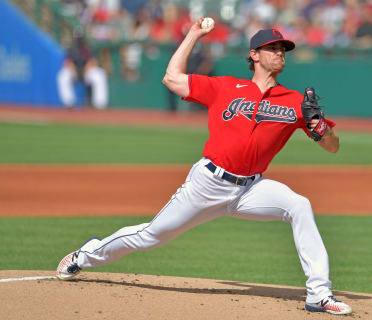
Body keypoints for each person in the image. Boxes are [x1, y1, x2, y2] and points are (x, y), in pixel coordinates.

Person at [56, 19, 352, 316]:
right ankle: (86, 255)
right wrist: (194, 34)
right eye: (272, 48)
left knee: (299, 205)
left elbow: (332, 146)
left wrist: (322, 127)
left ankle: (319, 294)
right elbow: (171, 78)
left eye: (282, 49)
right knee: (151, 235)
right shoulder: (224, 86)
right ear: (254, 55)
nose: (279, 53)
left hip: (251, 188)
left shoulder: (295, 102)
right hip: (207, 184)